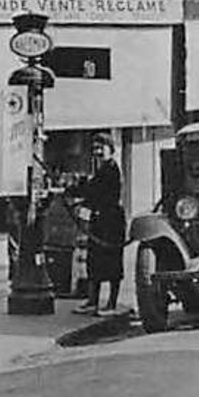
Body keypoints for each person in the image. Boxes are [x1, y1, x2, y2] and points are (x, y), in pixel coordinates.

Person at [67, 132, 127, 316]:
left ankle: (110, 303)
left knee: (111, 264)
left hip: (111, 222)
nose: (98, 152)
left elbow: (95, 192)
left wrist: (74, 193)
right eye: (95, 148)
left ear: (111, 149)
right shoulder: (102, 170)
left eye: (101, 148)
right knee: (95, 263)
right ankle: (93, 301)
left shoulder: (110, 170)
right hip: (100, 221)